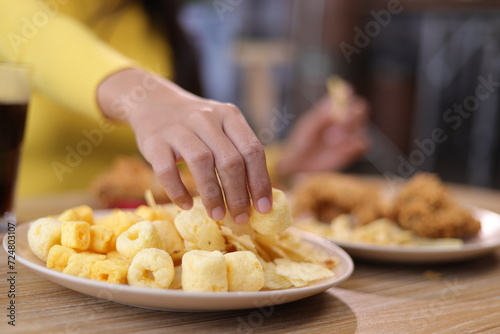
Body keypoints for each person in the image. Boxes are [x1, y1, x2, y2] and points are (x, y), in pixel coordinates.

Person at [0, 0, 368, 223]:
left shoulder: (167, 28)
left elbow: (181, 171)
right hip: (19, 245)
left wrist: (286, 163)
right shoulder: (24, 15)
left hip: (126, 251)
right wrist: (144, 97)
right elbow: (35, 38)